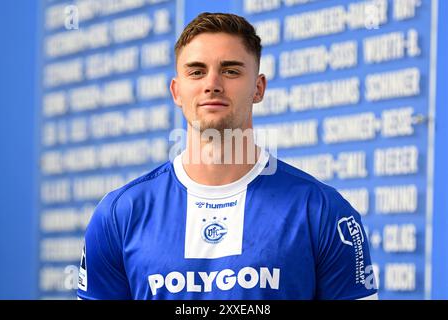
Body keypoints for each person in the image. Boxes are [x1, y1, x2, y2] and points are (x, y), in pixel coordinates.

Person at [77, 12, 378, 300]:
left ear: (258, 88)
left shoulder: (324, 212)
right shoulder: (119, 214)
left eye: (231, 70)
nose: (212, 84)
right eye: (196, 71)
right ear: (176, 91)